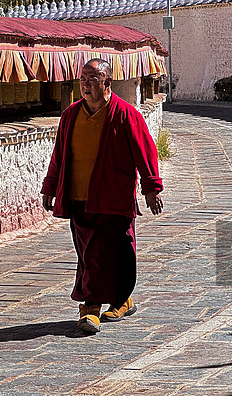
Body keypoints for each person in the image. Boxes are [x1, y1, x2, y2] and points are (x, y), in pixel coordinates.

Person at [40, 58, 164, 334]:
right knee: (89, 255)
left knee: (118, 254)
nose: (85, 84)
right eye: (83, 78)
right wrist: (50, 187)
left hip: (114, 197)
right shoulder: (71, 115)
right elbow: (59, 155)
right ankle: (94, 305)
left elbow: (145, 152)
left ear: (107, 82)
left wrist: (151, 187)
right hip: (79, 197)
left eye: (92, 79)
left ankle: (110, 301)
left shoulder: (125, 114)